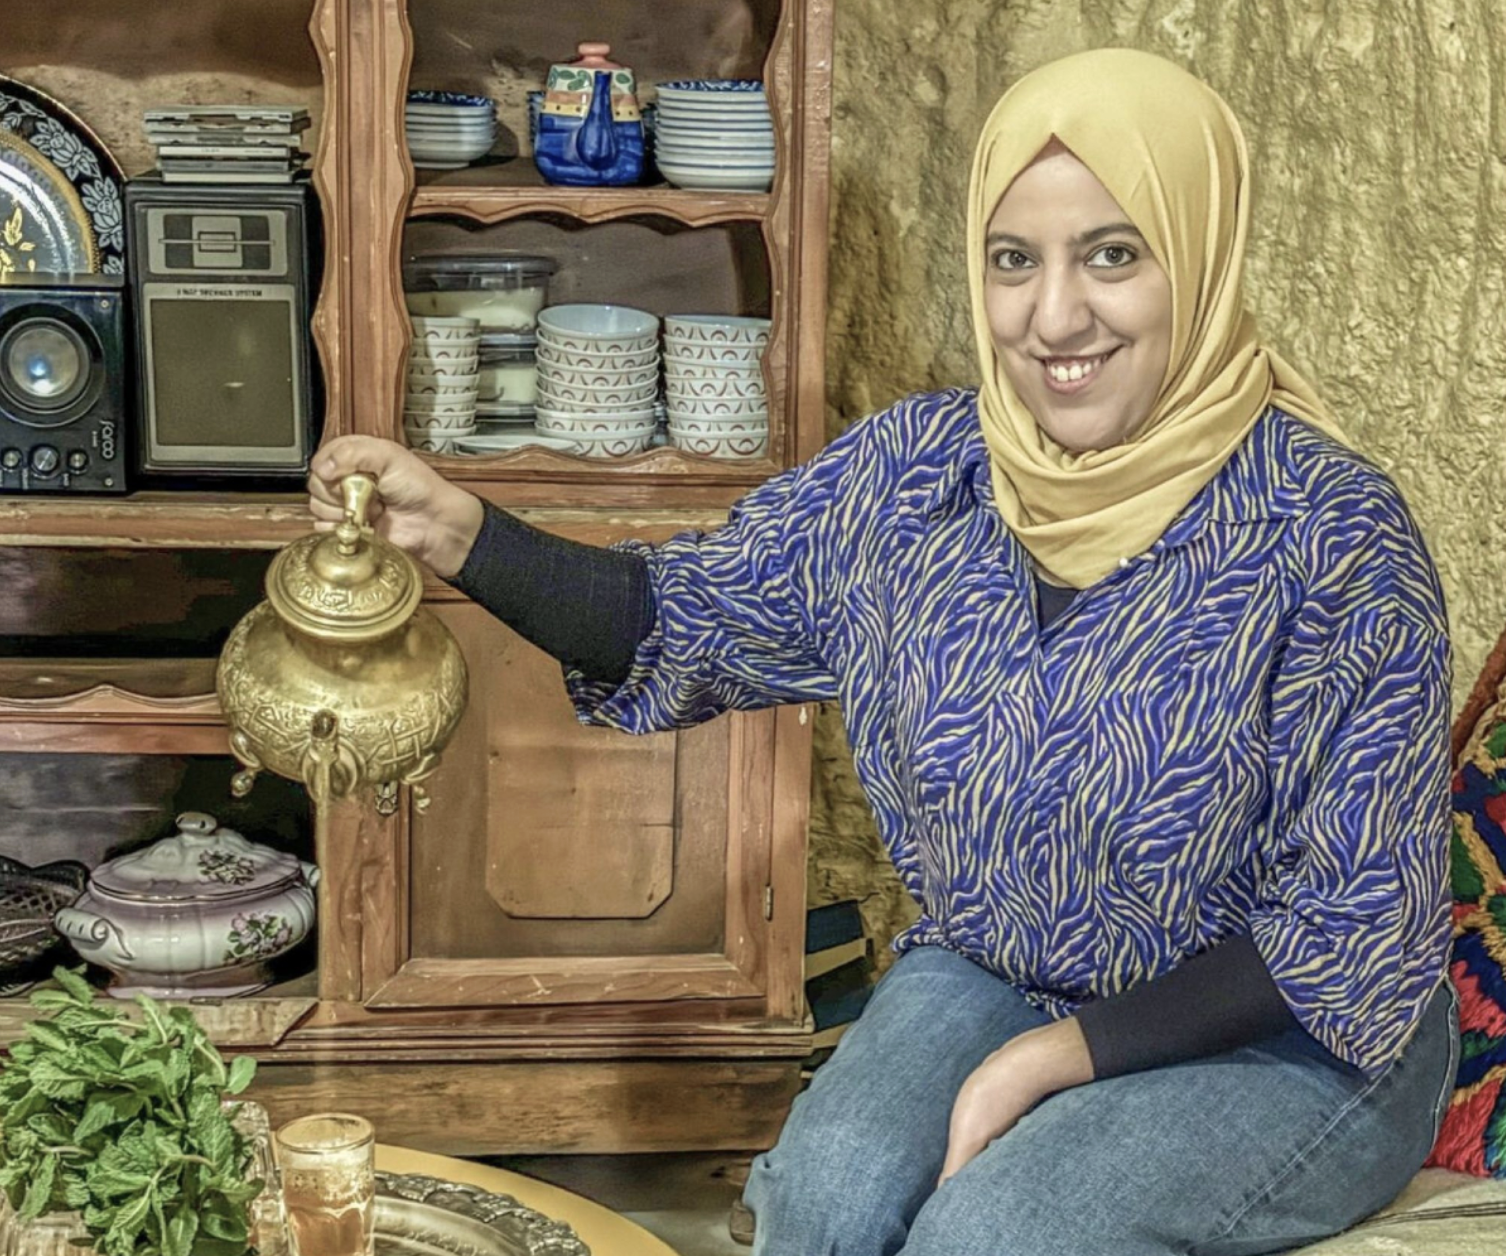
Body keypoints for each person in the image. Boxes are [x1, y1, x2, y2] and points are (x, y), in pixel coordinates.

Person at [310, 48, 1459, 1256]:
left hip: (1297, 1030)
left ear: (1204, 253)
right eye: (1015, 260)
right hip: (1005, 956)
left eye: (1113, 254)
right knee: (822, 1202)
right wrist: (461, 532)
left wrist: (1039, 1065)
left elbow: (1346, 926)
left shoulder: (1332, 536)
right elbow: (688, 610)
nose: (1053, 316)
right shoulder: (924, 473)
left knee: (999, 1231)